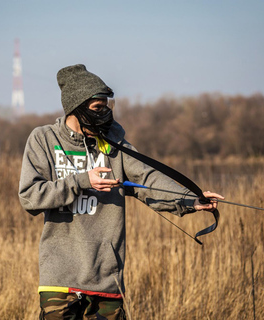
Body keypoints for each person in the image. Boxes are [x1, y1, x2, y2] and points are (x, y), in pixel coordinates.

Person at [18, 64, 224, 319]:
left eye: (107, 107)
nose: (105, 114)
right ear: (76, 107)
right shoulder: (43, 140)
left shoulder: (113, 142)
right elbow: (30, 196)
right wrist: (82, 181)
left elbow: (148, 177)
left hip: (107, 279)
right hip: (59, 279)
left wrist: (191, 200)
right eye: (97, 108)